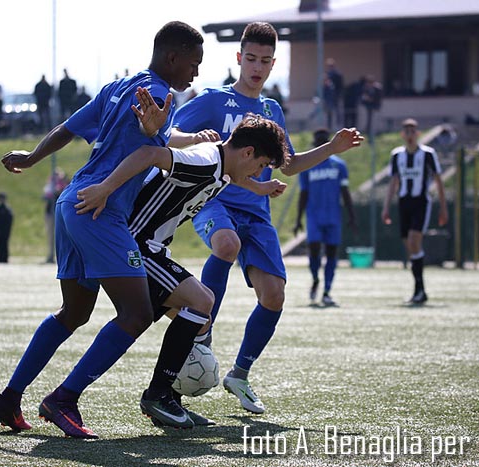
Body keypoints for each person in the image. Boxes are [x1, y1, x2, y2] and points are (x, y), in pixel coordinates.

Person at [0, 21, 205, 438]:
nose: (195, 73)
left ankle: (9, 399)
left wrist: (32, 158)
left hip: (73, 201)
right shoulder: (159, 94)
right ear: (172, 58)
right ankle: (63, 399)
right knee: (137, 313)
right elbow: (147, 136)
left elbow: (70, 128)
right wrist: (153, 130)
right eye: (193, 64)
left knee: (75, 312)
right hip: (99, 208)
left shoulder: (119, 86)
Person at [170, 21, 363, 414]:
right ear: (240, 58)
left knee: (274, 296)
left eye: (265, 61)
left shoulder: (272, 110)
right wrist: (192, 142)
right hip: (215, 199)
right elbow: (169, 132)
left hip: (257, 211)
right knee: (226, 243)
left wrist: (331, 147)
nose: (257, 67)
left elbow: (287, 165)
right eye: (251, 59)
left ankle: (239, 374)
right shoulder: (212, 101)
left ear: (273, 64)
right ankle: (201, 334)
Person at [76, 113, 288, 428]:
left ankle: (161, 398)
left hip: (150, 247)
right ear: (247, 153)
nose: (258, 172)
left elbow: (237, 178)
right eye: (261, 165)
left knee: (174, 320)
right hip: (136, 244)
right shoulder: (204, 160)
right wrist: (104, 188)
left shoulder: (224, 168)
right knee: (201, 302)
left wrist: (260, 188)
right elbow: (148, 154)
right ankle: (158, 395)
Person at [381, 118, 448, 304]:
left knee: (414, 240)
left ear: (418, 134)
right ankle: (419, 289)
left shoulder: (427, 154)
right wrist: (386, 207)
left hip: (421, 202)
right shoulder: (397, 155)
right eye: (406, 131)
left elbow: (439, 180)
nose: (410, 135)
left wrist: (443, 208)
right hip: (404, 203)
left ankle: (420, 288)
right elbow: (393, 182)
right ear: (403, 134)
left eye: (413, 131)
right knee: (410, 247)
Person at [294, 128, 356, 306]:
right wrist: (298, 218)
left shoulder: (339, 165)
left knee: (331, 254)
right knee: (314, 251)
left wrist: (352, 216)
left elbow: (345, 192)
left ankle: (327, 290)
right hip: (314, 217)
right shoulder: (307, 166)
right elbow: (303, 194)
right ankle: (315, 279)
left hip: (333, 217)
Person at [43, 167, 69, 263]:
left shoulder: (65, 184)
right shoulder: (50, 185)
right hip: (50, 212)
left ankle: (63, 256)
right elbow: (46, 196)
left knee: (63, 236)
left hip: (61, 213)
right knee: (51, 235)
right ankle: (51, 255)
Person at [0, 192, 13, 263]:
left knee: (4, 246)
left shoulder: (7, 210)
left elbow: (9, 222)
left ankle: (5, 259)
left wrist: (6, 231)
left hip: (5, 232)